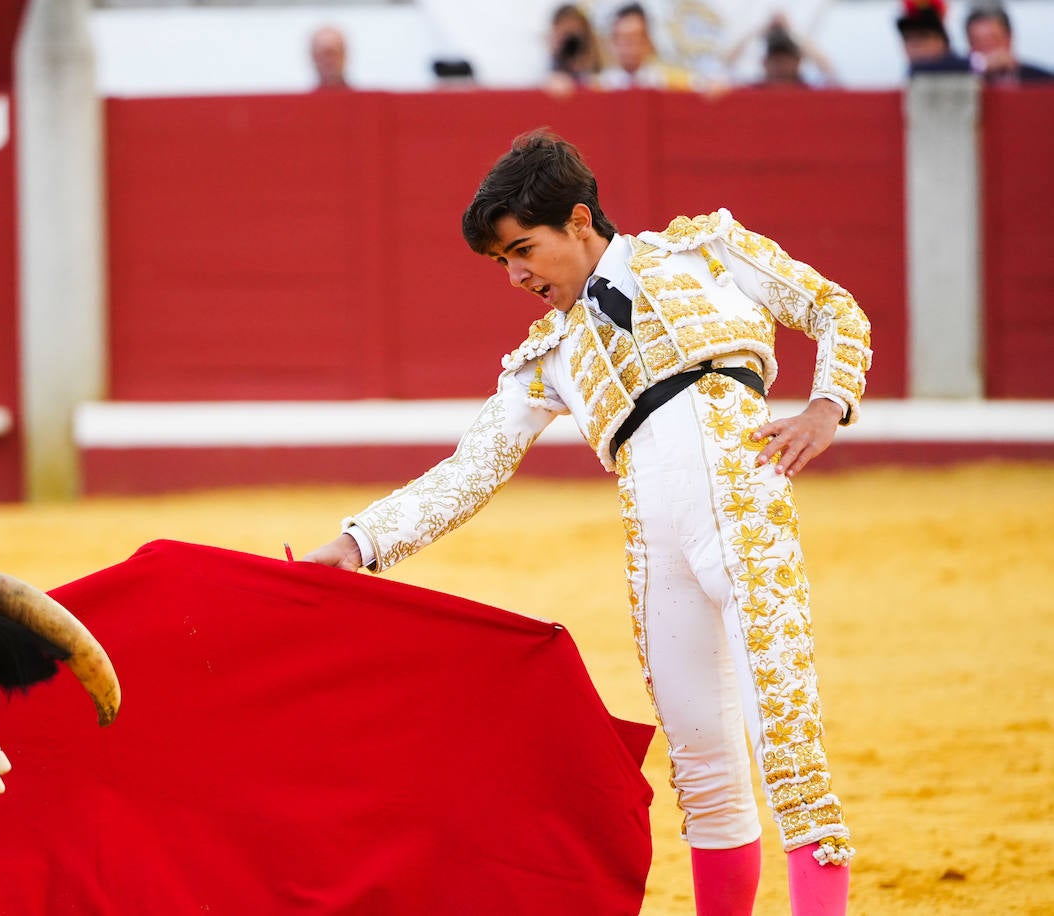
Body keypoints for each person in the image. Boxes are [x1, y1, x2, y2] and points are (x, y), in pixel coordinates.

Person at [304, 129, 868, 915]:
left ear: (578, 219)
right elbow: (473, 468)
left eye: (521, 250)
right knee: (704, 777)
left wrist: (826, 405)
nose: (515, 275)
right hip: (657, 558)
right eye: (502, 261)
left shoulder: (705, 251)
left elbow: (832, 308)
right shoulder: (549, 355)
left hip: (747, 528)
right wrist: (357, 543)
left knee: (791, 757)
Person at [597, 2, 698, 90]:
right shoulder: (600, 87)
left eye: (635, 38)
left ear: (648, 41)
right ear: (612, 43)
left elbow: (702, 87)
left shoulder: (669, 82)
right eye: (623, 39)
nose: (628, 46)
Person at [965, 3, 1054, 85]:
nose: (986, 49)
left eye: (991, 40)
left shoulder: (1041, 80)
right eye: (977, 42)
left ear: (1009, 38)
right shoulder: (961, 77)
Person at [895, 0, 970, 75]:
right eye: (907, 38)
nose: (913, 46)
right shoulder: (912, 73)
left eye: (922, 37)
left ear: (942, 42)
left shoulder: (967, 71)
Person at [544, 4, 603, 97]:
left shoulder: (604, 70)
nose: (570, 44)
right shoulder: (542, 66)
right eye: (564, 33)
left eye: (574, 33)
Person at [309, 25, 350, 91]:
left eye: (332, 53)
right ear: (313, 57)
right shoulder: (304, 101)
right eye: (321, 55)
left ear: (343, 55)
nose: (328, 61)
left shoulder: (364, 100)